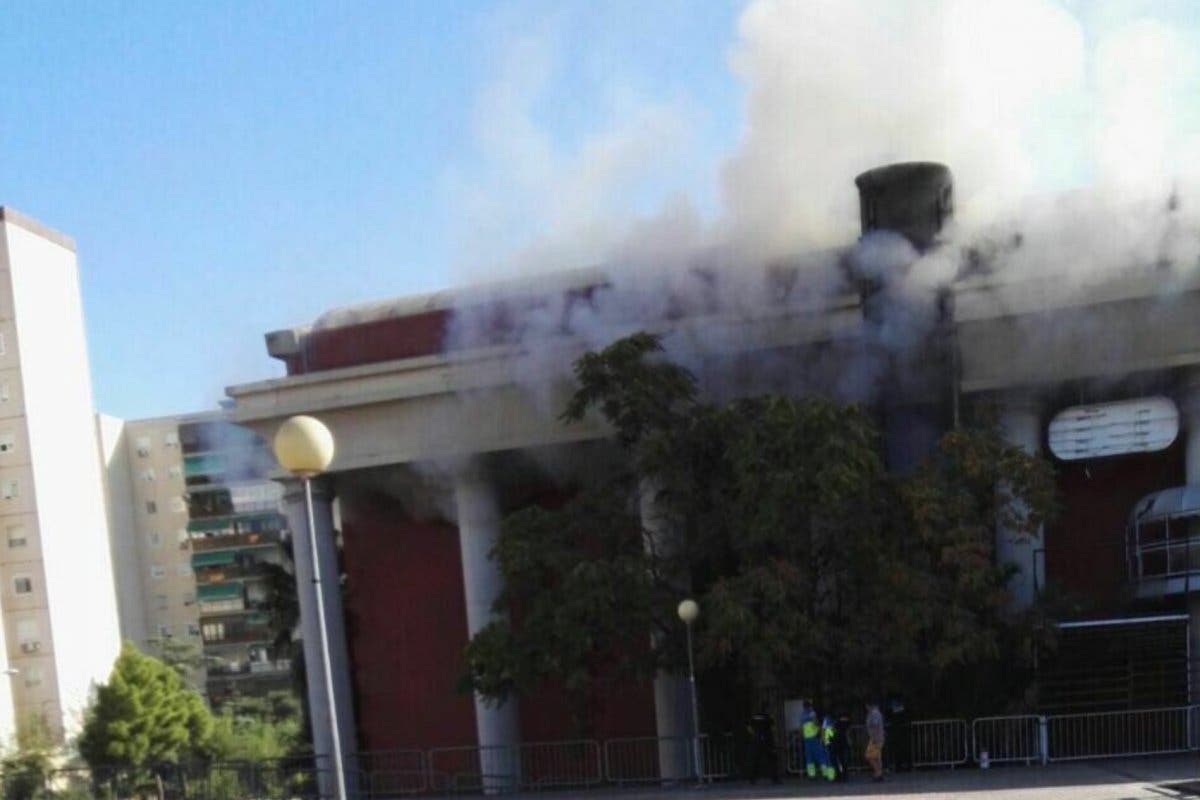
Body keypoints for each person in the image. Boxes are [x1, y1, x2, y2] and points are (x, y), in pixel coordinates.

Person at [747, 702, 780, 784]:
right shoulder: (768, 717)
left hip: (757, 740)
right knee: (772, 759)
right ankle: (774, 779)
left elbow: (749, 727)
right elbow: (773, 728)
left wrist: (755, 734)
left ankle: (752, 779)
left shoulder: (755, 716)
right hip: (767, 740)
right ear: (767, 709)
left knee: (755, 760)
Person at [800, 699, 826, 780]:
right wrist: (819, 730)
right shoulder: (812, 713)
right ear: (810, 705)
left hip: (806, 738)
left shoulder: (802, 715)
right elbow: (815, 722)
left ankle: (811, 774)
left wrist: (802, 735)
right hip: (814, 736)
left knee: (809, 758)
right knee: (820, 755)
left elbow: (801, 727)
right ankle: (825, 772)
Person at [865, 701, 886, 782]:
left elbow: (875, 725)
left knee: (869, 756)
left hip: (875, 738)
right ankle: (878, 773)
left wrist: (874, 738)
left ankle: (878, 773)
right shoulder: (875, 713)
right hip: (877, 737)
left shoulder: (874, 713)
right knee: (877, 757)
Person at [819, 713, 839, 782]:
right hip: (833, 741)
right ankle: (832, 775)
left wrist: (822, 740)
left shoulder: (826, 720)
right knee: (832, 759)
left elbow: (823, 730)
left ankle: (830, 776)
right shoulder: (834, 721)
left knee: (828, 759)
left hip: (827, 741)